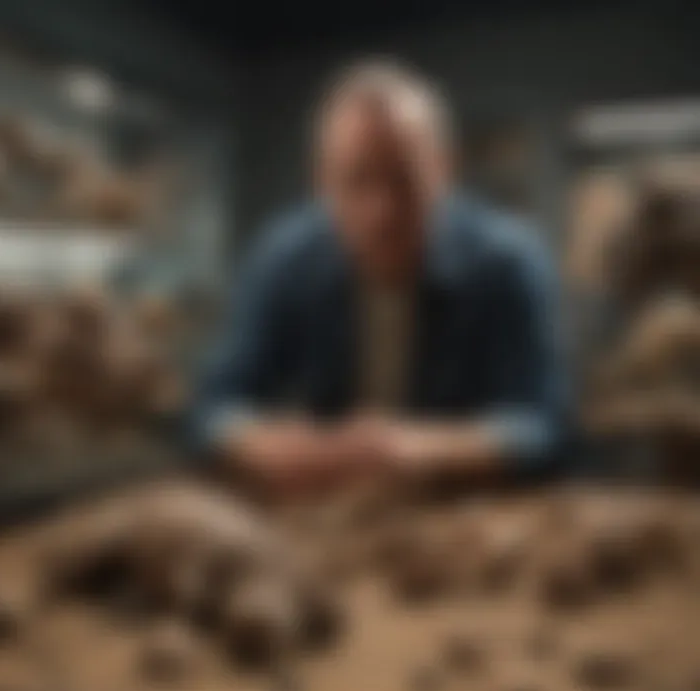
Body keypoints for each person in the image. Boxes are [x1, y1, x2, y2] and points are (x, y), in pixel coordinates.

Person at [190, 60, 569, 499]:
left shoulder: (510, 261)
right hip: (327, 512)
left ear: (444, 171)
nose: (382, 212)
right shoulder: (283, 258)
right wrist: (261, 445)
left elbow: (548, 427)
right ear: (321, 182)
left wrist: (421, 449)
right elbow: (210, 409)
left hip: (465, 515)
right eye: (356, 181)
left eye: (404, 180)